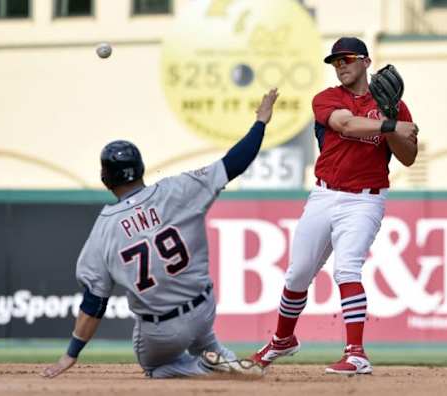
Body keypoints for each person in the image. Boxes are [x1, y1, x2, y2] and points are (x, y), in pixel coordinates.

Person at [41, 89, 279, 379]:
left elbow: (95, 303)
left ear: (105, 179)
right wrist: (261, 122)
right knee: (203, 339)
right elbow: (234, 163)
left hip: (161, 332)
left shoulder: (104, 228)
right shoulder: (178, 189)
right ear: (141, 168)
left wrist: (71, 354)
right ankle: (224, 360)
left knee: (155, 368)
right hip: (204, 310)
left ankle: (205, 367)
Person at [251, 37, 418, 375]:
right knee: (298, 273)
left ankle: (356, 352)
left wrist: (393, 127)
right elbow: (345, 124)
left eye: (348, 59)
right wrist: (389, 124)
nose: (341, 65)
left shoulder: (394, 106)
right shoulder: (327, 98)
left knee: (347, 269)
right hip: (324, 195)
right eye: (336, 61)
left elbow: (408, 157)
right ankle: (283, 339)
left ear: (366, 62)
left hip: (365, 199)